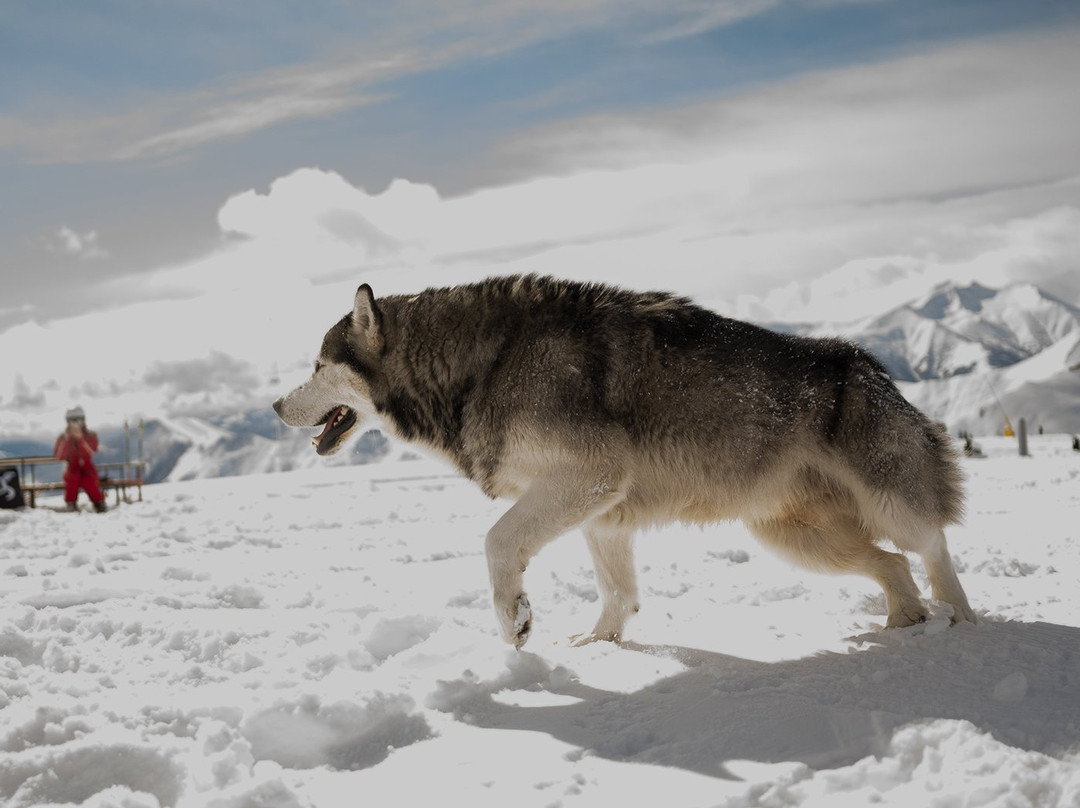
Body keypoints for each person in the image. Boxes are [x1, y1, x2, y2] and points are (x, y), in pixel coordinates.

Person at [53, 406, 107, 513]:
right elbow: (59, 456)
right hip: (72, 467)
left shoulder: (91, 435)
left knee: (89, 481)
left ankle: (99, 502)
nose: (76, 424)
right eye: (72, 421)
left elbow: (92, 450)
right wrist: (67, 439)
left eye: (78, 420)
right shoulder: (63, 438)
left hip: (87, 467)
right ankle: (71, 503)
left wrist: (81, 439)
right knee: (72, 478)